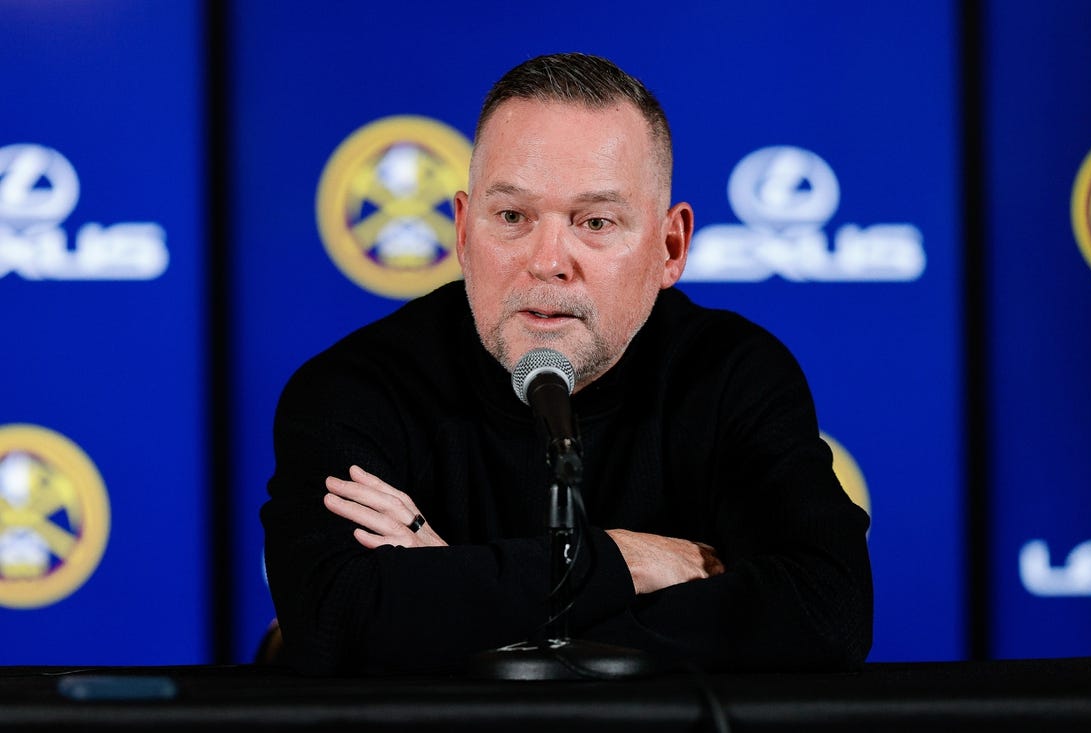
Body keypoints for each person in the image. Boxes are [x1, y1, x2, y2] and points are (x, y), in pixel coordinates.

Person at [261, 52, 873, 676]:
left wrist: (461, 602)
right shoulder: (356, 388)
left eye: (596, 222)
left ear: (670, 247)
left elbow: (827, 613)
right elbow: (334, 623)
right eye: (512, 217)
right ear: (465, 231)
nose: (548, 260)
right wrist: (623, 564)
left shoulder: (733, 374)